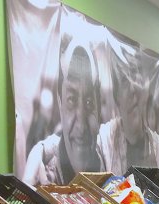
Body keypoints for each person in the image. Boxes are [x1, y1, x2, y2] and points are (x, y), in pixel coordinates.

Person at [23, 37, 102, 186]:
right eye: (71, 99)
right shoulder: (46, 179)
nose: (81, 126)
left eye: (89, 102)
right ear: (60, 104)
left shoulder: (108, 154)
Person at [97, 45, 159, 175]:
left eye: (135, 77)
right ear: (117, 99)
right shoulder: (104, 141)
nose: (133, 89)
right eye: (124, 81)